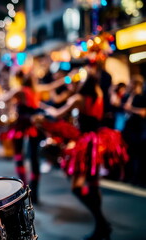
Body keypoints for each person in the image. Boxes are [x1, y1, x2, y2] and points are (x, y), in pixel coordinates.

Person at [44, 71, 128, 240]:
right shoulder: (98, 92)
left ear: (84, 82)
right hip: (99, 140)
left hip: (86, 143)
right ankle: (101, 227)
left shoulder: (78, 99)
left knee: (77, 187)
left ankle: (101, 222)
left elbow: (57, 114)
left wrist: (45, 108)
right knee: (93, 184)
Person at [0, 70, 65, 204]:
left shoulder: (20, 90)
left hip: (22, 126)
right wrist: (66, 79)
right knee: (33, 159)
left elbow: (4, 99)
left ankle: (25, 188)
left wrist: (8, 109)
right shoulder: (35, 90)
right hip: (33, 126)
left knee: (20, 157)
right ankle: (33, 192)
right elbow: (51, 86)